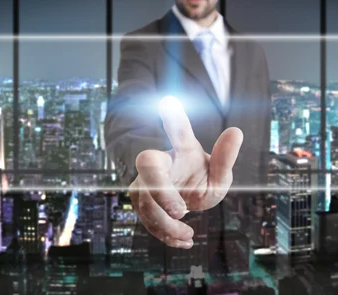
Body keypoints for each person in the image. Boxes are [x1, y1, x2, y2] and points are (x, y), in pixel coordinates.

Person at [105, 0, 271, 249]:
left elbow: (260, 131)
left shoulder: (253, 52)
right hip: (181, 217)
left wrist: (258, 204)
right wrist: (155, 165)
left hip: (243, 226)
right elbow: (130, 114)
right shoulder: (144, 42)